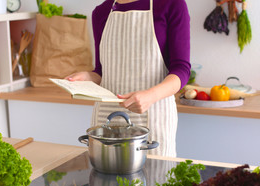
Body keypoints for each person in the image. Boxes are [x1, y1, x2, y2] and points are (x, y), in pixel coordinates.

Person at [65, 0, 190, 159]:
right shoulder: (101, 12)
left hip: (153, 118)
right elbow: (101, 72)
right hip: (107, 122)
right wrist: (87, 78)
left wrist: (150, 95)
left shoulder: (171, 4)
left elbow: (181, 70)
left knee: (154, 181)